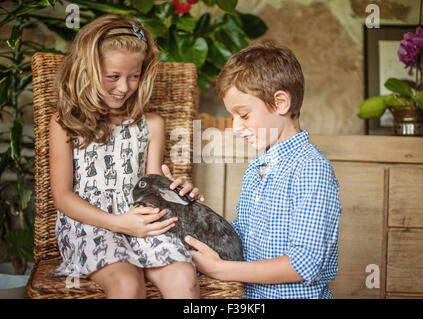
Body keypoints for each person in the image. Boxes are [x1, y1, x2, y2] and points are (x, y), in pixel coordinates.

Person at [49, 14, 203, 299]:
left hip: (142, 219)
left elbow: (153, 183)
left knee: (185, 279)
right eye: (113, 77)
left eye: (134, 76)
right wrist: (119, 223)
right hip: (91, 223)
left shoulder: (151, 124)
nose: (124, 87)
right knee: (128, 285)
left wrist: (178, 192)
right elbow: (62, 196)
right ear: (89, 70)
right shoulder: (65, 124)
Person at [184, 42, 342, 299]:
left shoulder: (310, 168)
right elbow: (241, 237)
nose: (236, 127)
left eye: (243, 115)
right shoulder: (256, 169)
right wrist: (190, 210)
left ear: (280, 103)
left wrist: (223, 270)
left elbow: (304, 263)